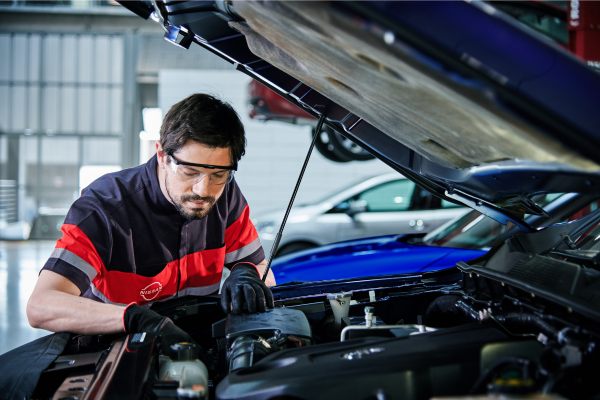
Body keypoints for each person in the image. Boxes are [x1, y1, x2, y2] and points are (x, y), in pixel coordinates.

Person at [26, 93, 275, 344]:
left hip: (200, 346)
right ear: (161, 155)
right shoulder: (104, 208)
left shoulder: (226, 196)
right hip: (119, 350)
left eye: (219, 174)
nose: (203, 190)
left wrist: (247, 274)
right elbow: (41, 306)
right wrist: (135, 319)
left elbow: (263, 270)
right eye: (190, 171)